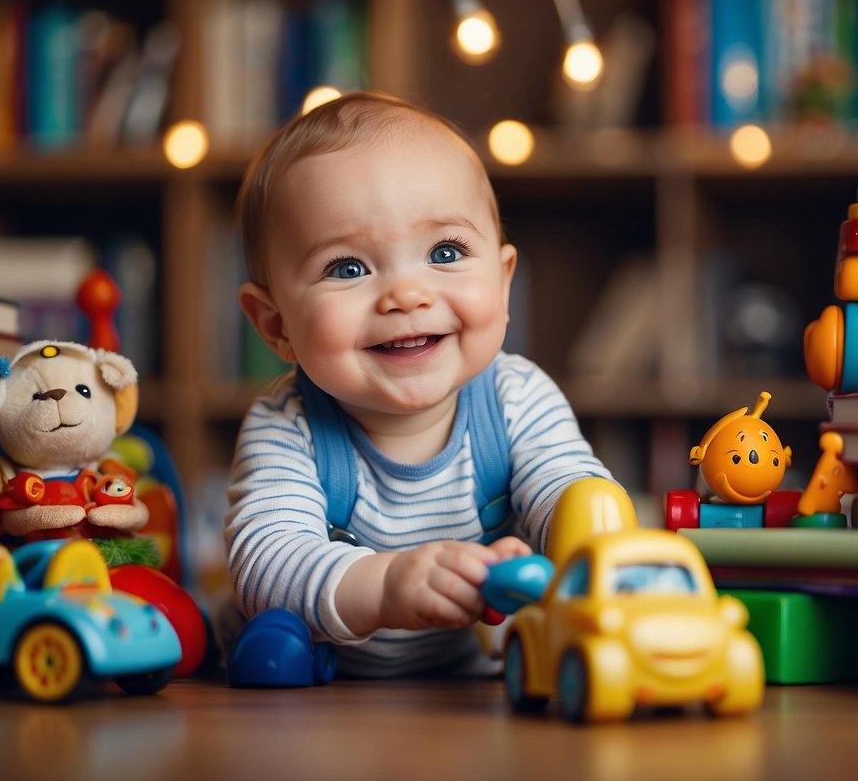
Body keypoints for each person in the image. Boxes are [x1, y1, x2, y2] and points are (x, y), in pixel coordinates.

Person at [227, 91, 617, 677]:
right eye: (348, 268)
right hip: (322, 703)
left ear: (504, 283)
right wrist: (386, 586)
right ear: (276, 325)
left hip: (467, 695)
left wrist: (578, 535)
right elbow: (266, 569)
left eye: (444, 251)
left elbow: (566, 487)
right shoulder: (289, 427)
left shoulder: (515, 399)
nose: (407, 295)